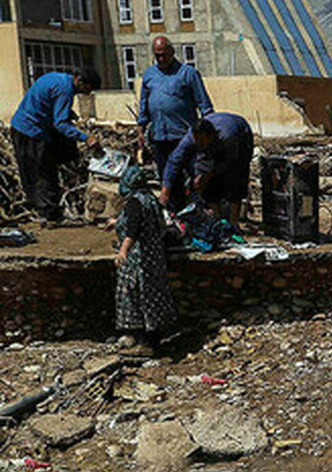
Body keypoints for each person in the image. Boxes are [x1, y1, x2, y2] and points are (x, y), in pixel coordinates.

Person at [9, 67, 101, 224]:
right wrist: (86, 138)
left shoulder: (58, 79)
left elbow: (49, 101)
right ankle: (49, 214)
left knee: (36, 170)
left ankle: (43, 209)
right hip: (31, 131)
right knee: (45, 171)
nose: (86, 93)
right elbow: (61, 124)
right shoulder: (65, 90)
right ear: (79, 80)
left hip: (22, 127)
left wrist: (68, 112)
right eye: (87, 89)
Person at [112, 165, 178, 351]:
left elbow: (133, 229)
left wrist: (123, 251)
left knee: (135, 294)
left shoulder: (134, 202)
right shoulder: (150, 199)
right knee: (153, 293)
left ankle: (141, 337)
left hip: (138, 258)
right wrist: (116, 222)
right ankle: (154, 335)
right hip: (154, 255)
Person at [136, 36, 214, 181]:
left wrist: (209, 133)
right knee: (168, 180)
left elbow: (204, 105)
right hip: (160, 138)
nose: (161, 59)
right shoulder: (149, 75)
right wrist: (141, 128)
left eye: (163, 55)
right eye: (157, 55)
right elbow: (144, 103)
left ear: (172, 52)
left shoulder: (188, 73)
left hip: (185, 137)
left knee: (195, 177)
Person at [160, 112, 254, 230]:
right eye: (197, 141)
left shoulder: (228, 136)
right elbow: (174, 160)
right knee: (207, 184)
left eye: (202, 141)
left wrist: (209, 174)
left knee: (235, 179)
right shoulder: (190, 138)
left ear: (211, 136)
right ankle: (218, 221)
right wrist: (166, 190)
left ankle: (233, 224)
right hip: (217, 140)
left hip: (240, 138)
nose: (199, 144)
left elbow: (231, 161)